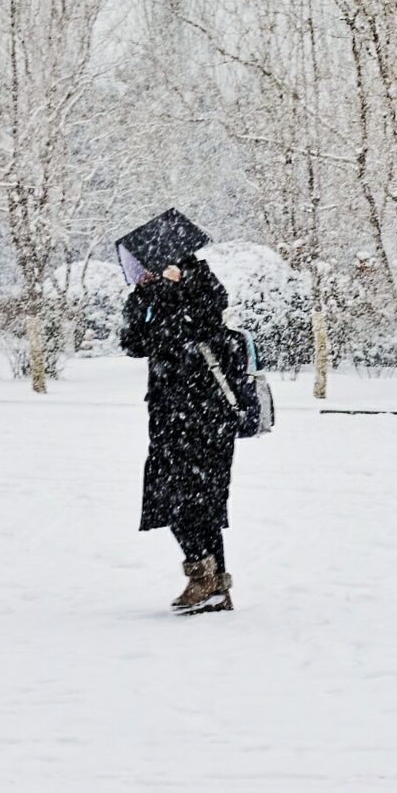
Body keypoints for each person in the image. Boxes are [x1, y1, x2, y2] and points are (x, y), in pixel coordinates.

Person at [119, 253, 244, 615]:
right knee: (171, 496)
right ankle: (210, 581)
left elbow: (212, 312)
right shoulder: (148, 294)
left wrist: (182, 283)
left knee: (199, 501)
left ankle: (208, 580)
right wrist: (142, 298)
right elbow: (133, 344)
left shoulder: (198, 277)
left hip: (207, 413)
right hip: (167, 413)